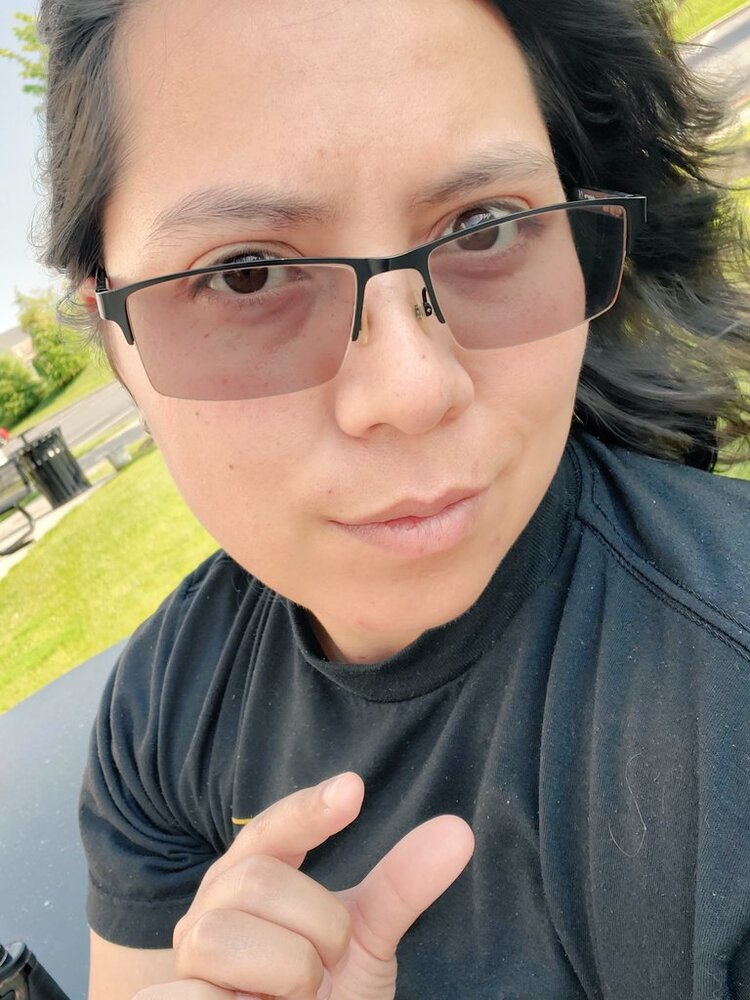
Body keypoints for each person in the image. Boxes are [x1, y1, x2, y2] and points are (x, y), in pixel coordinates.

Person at [37, 0, 750, 997]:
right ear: (114, 338)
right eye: (249, 274)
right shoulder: (162, 712)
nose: (413, 389)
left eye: (485, 226)